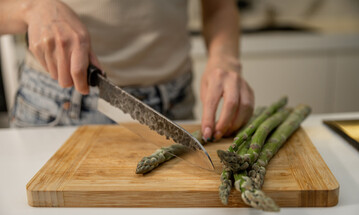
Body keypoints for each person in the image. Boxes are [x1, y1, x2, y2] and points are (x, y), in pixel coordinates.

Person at [0, 0, 254, 141]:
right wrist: (30, 7)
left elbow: (219, 8)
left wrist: (225, 59)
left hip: (173, 108)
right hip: (57, 109)